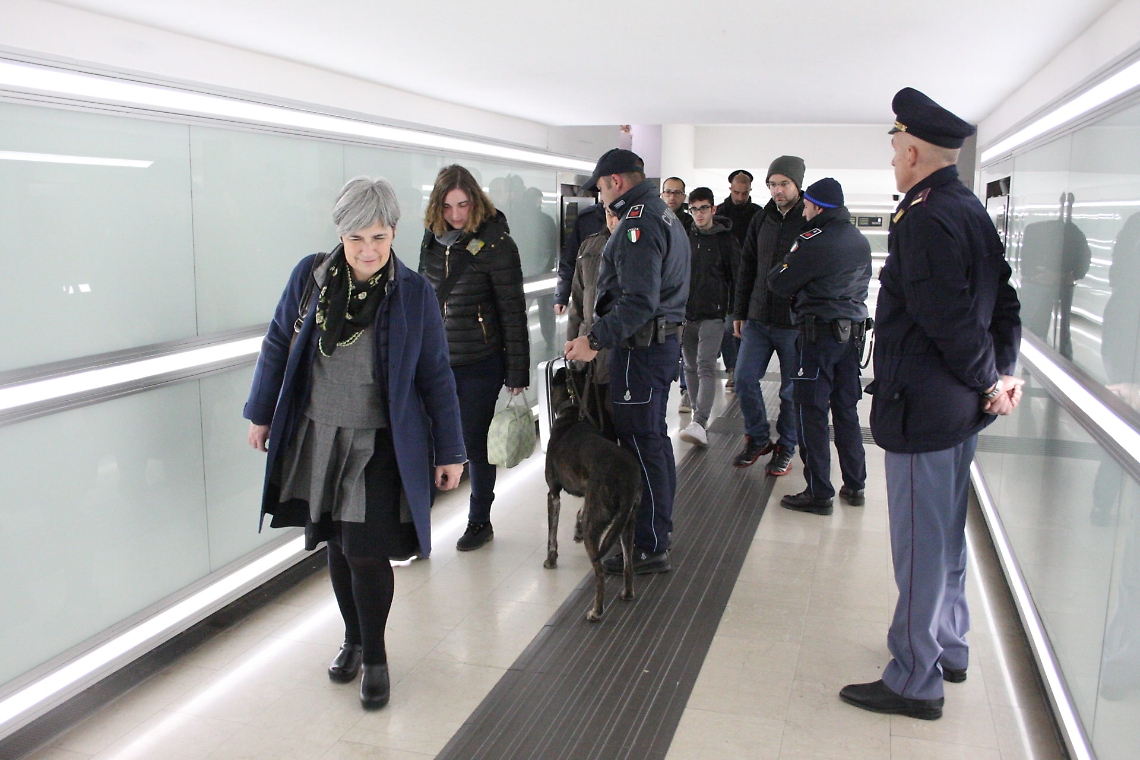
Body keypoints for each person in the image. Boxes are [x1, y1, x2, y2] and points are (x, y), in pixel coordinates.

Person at [244, 177, 466, 710]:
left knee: (366, 551)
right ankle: (352, 637)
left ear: (394, 234)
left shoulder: (413, 293)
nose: (368, 251)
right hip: (318, 434)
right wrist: (260, 412)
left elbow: (436, 373)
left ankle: (375, 657)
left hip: (381, 443)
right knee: (338, 544)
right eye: (356, 239)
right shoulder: (310, 277)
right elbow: (279, 340)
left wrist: (452, 450)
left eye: (380, 238)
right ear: (339, 235)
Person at [840, 88, 1023, 721]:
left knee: (919, 543)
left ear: (913, 151)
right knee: (945, 536)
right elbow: (1005, 305)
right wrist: (999, 374)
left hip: (925, 405)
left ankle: (914, 679)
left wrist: (988, 380)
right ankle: (949, 644)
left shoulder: (923, 217)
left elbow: (947, 320)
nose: (893, 160)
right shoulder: (970, 210)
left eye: (895, 150)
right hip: (958, 408)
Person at [565, 148, 690, 575]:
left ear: (615, 181)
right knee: (652, 441)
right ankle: (657, 533)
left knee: (641, 446)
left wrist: (593, 340)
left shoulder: (638, 222)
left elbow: (638, 300)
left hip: (640, 350)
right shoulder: (662, 214)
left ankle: (649, 544)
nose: (600, 198)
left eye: (600, 188)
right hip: (653, 346)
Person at [419, 164, 530, 552]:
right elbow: (421, 299)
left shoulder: (498, 245)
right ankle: (416, 526)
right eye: (448, 206)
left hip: (480, 362)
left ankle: (479, 519)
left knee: (475, 444)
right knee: (426, 443)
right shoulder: (431, 241)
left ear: (476, 201)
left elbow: (513, 311)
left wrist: (517, 371)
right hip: (435, 362)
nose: (456, 215)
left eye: (463, 204)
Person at [767, 178, 871, 515]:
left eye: (808, 204)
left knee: (810, 412)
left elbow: (778, 281)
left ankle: (818, 491)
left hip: (818, 338)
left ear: (817, 206)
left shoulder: (814, 240)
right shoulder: (858, 239)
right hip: (850, 337)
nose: (805, 209)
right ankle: (855, 485)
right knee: (845, 411)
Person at [731, 155, 807, 475]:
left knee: (791, 391)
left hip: (793, 322)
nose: (777, 191)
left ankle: (786, 445)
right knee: (744, 379)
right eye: (772, 184)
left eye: (783, 184)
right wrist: (740, 310)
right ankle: (759, 437)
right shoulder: (762, 219)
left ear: (797, 185)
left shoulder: (810, 219)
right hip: (758, 318)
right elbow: (747, 265)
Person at [679, 187, 738, 447]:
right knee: (690, 366)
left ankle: (701, 422)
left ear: (713, 209)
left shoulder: (726, 241)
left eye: (703, 208)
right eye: (694, 209)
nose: (699, 214)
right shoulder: (683, 237)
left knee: (705, 365)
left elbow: (736, 277)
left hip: (714, 314)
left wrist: (734, 311)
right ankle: (696, 417)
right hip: (686, 313)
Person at [567, 206, 620, 438]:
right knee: (594, 419)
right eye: (609, 214)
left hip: (619, 346)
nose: (613, 221)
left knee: (621, 421)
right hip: (588, 343)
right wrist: (571, 342)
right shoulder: (590, 246)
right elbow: (577, 299)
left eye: (618, 215)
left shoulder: (638, 247)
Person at [717, 169, 759, 389]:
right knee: (728, 325)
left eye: (744, 193)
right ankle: (733, 368)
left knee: (743, 326)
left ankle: (741, 369)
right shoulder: (720, 213)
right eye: (736, 192)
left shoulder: (758, 214)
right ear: (730, 189)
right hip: (725, 278)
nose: (740, 197)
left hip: (750, 277)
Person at [555, 198, 606, 315]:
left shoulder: (637, 218)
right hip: (588, 299)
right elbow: (570, 258)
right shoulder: (587, 219)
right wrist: (561, 295)